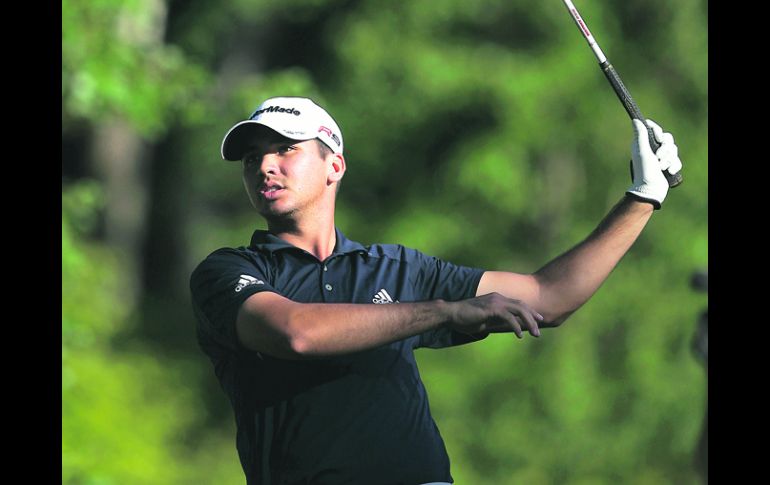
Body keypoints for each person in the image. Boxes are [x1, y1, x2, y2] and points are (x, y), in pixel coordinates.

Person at [189, 96, 683, 485]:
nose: (265, 166)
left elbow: (548, 297)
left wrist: (642, 198)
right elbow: (294, 332)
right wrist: (445, 312)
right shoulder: (228, 270)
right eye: (253, 158)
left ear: (334, 166)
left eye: (285, 149)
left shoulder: (398, 268)